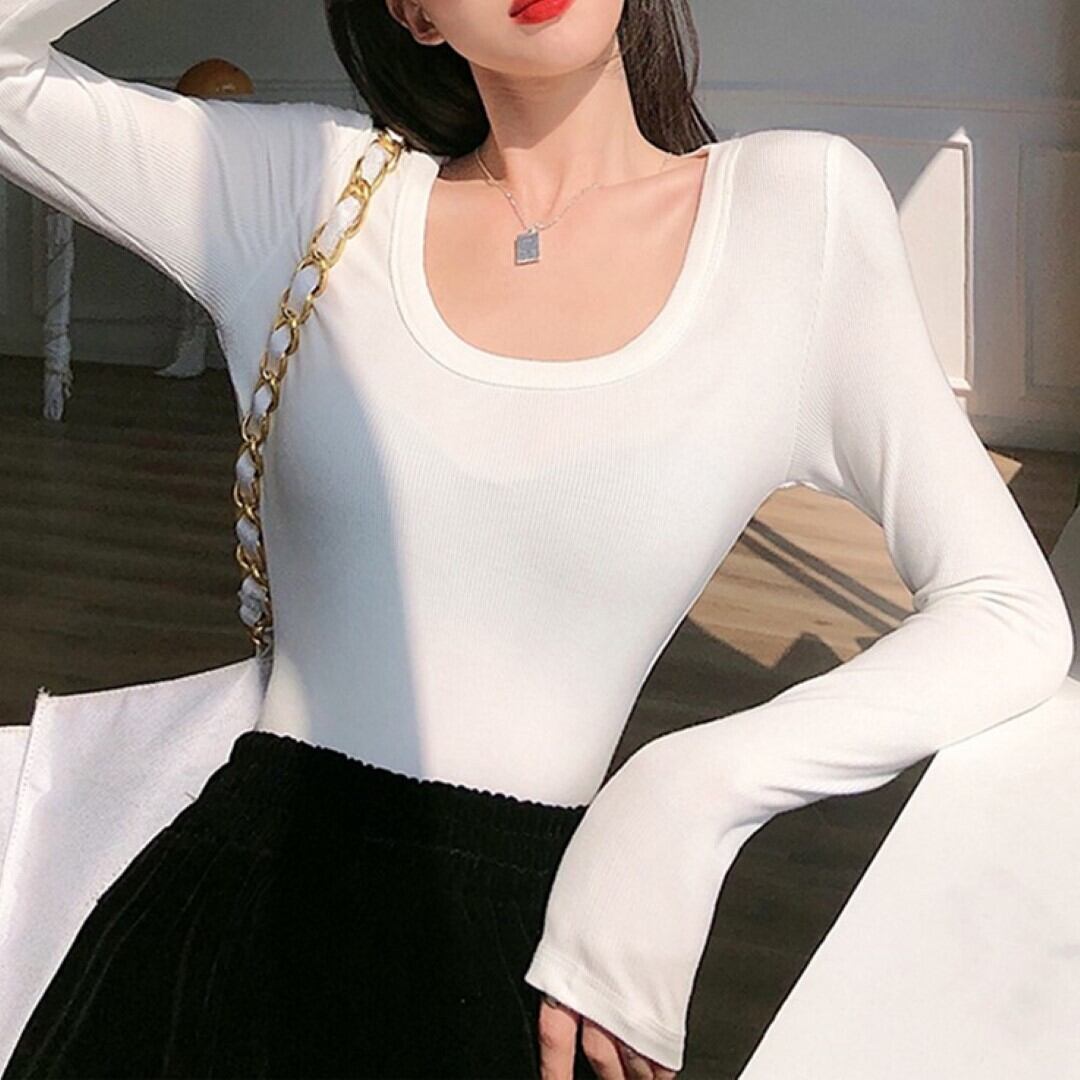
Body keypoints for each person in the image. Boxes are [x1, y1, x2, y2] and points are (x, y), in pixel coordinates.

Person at [0, 0, 1073, 1077]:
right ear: (414, 12)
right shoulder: (308, 191)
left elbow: (1007, 612)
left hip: (519, 959)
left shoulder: (796, 214)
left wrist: (689, 792)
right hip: (211, 933)